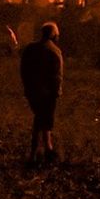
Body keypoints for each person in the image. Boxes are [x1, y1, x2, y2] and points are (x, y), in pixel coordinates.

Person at [19, 20, 64, 167]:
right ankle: (39, 152)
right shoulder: (54, 51)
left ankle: (45, 150)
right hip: (47, 93)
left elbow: (23, 70)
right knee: (43, 120)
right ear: (54, 35)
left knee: (41, 119)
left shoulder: (30, 49)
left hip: (32, 91)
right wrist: (56, 91)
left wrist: (27, 87)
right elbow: (57, 75)